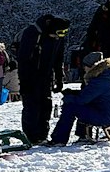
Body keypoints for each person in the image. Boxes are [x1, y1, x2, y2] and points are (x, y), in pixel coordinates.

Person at [13, 14, 69, 145]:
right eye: (56, 35)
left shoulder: (58, 38)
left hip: (46, 76)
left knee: (46, 105)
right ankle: (31, 137)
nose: (58, 38)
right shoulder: (32, 33)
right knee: (31, 106)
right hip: (30, 76)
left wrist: (59, 78)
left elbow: (58, 58)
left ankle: (43, 135)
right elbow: (23, 59)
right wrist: (24, 80)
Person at [50, 51, 110, 145]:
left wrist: (68, 97)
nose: (84, 69)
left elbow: (81, 100)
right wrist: (74, 93)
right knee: (81, 106)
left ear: (92, 66)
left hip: (107, 117)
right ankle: (82, 134)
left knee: (71, 107)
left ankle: (59, 139)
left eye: (85, 66)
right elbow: (89, 95)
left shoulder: (99, 81)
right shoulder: (107, 76)